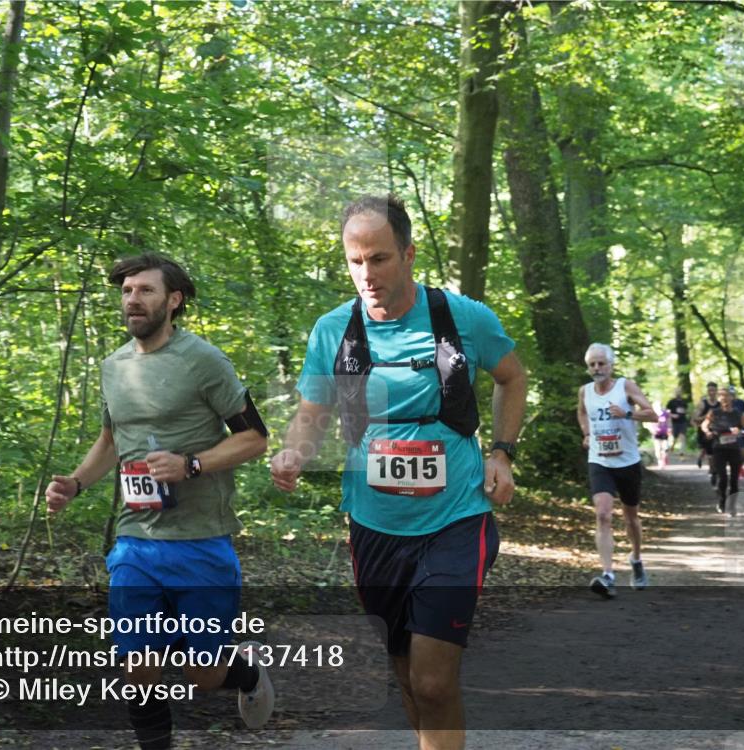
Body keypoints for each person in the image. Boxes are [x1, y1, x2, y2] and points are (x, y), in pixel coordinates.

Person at [269, 194, 527, 750]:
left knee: (434, 681)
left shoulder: (463, 317)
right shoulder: (332, 330)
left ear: (408, 255)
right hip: (374, 524)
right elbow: (312, 413)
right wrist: (294, 453)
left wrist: (501, 451)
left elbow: (512, 376)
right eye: (355, 261)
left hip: (455, 519)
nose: (367, 274)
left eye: (380, 259)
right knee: (408, 676)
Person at [45, 254, 274, 749]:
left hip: (200, 540)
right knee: (138, 665)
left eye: (145, 290)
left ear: (174, 301)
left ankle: (245, 673)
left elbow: (255, 438)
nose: (132, 299)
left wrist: (191, 464)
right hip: (136, 541)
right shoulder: (113, 367)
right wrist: (76, 483)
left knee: (202, 675)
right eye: (127, 291)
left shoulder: (204, 361)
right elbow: (111, 440)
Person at [577, 343, 657, 599]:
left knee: (630, 516)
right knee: (602, 514)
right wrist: (587, 433)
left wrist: (627, 413)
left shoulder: (626, 386)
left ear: (611, 365)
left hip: (628, 461)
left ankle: (636, 559)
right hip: (599, 460)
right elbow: (581, 413)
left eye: (601, 363)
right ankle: (608, 575)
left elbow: (653, 415)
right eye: (592, 364)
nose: (597, 368)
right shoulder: (585, 391)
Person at [703, 386, 744, 515]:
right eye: (721, 396)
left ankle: (732, 506)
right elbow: (704, 425)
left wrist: (740, 431)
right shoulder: (714, 412)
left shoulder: (738, 414)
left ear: (732, 397)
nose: (724, 398)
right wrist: (708, 431)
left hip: (734, 449)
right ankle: (721, 502)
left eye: (726, 395)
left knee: (734, 480)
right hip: (719, 449)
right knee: (723, 478)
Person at [692, 382, 719, 479]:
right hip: (704, 430)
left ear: (716, 391)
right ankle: (712, 469)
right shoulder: (703, 404)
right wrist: (707, 416)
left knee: (713, 450)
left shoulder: (720, 404)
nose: (711, 392)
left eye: (713, 390)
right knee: (708, 450)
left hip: (716, 430)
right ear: (707, 391)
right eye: (709, 390)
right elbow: (695, 418)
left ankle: (713, 469)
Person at [666, 387, 689, 456]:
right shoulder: (671, 402)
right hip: (674, 422)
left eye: (680, 391)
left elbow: (687, 410)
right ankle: (671, 447)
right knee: (674, 437)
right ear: (675, 393)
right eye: (677, 391)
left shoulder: (684, 401)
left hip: (683, 421)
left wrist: (685, 412)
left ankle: (682, 452)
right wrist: (672, 415)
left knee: (682, 436)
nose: (678, 393)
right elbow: (667, 412)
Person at [652, 401, 670, 468]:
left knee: (665, 448)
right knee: (658, 449)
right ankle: (659, 462)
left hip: (664, 432)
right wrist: (652, 429)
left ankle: (664, 460)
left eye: (660, 405)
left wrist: (669, 428)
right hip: (656, 434)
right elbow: (648, 423)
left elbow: (668, 421)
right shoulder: (653, 414)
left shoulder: (665, 413)